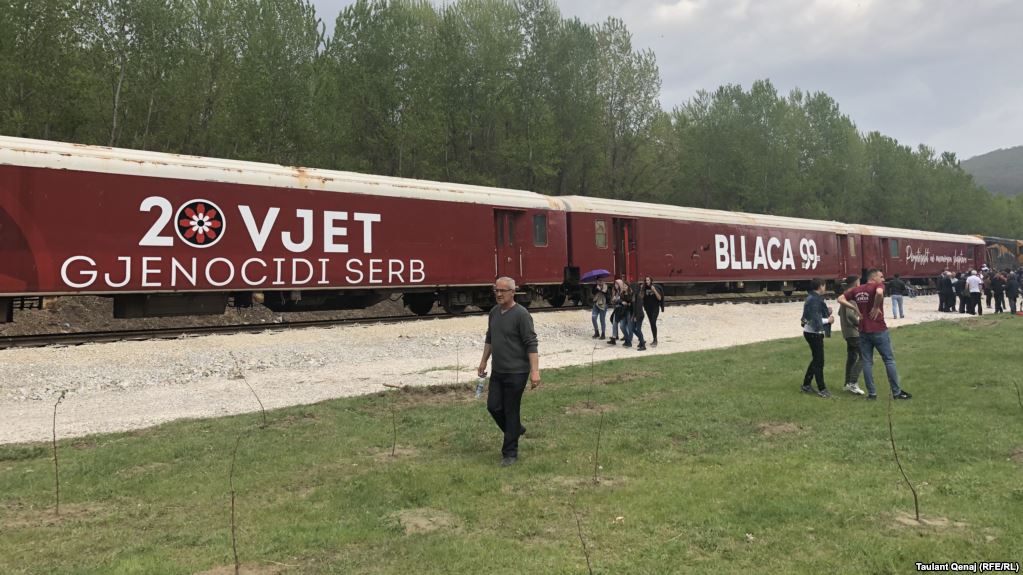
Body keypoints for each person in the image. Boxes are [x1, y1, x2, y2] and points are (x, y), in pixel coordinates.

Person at [477, 276, 540, 467]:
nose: (498, 294)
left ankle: (510, 453)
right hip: (498, 370)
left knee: (511, 410)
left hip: (517, 372)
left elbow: (531, 343)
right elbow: (490, 338)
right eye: (496, 290)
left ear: (513, 292)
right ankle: (515, 429)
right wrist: (483, 361)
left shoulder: (522, 315)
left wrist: (535, 371)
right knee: (493, 406)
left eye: (502, 291)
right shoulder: (494, 312)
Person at [837, 269, 912, 400]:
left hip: (863, 331)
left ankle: (872, 394)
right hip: (878, 329)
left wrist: (854, 308)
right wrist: (876, 306)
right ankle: (896, 392)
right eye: (881, 277)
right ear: (874, 277)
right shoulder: (878, 286)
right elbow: (879, 293)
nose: (883, 279)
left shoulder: (857, 290)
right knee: (889, 360)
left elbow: (840, 299)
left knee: (867, 362)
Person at [800, 278, 834, 398]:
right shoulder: (815, 299)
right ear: (820, 286)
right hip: (814, 333)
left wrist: (827, 311)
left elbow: (811, 315)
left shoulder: (811, 297)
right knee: (819, 362)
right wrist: (828, 320)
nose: (825, 288)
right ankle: (822, 389)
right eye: (824, 286)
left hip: (809, 332)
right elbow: (815, 320)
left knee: (816, 360)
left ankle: (806, 384)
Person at [838, 276, 866, 395]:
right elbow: (850, 315)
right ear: (855, 284)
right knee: (864, 357)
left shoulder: (844, 295)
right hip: (854, 333)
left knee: (852, 357)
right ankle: (853, 382)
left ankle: (847, 384)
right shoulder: (851, 296)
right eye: (859, 282)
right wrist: (860, 323)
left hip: (847, 332)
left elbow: (840, 313)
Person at [641, 276, 664, 347]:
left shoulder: (655, 287)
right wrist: (642, 290)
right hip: (648, 308)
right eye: (646, 280)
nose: (647, 281)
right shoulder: (644, 288)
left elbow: (659, 298)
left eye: (648, 280)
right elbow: (641, 297)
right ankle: (654, 339)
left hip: (655, 308)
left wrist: (654, 290)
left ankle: (655, 340)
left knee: (653, 322)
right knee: (651, 323)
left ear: (651, 281)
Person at [626, 281, 647, 351]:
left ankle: (643, 345)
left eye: (631, 288)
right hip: (635, 315)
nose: (630, 289)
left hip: (639, 316)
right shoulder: (634, 295)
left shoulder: (638, 297)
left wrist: (635, 317)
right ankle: (641, 341)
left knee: (638, 329)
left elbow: (638, 308)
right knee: (633, 329)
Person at [606, 279, 624, 345]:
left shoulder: (623, 292)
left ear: (620, 284)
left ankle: (625, 335)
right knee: (614, 322)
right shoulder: (616, 292)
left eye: (617, 284)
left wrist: (616, 300)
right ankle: (614, 337)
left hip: (622, 310)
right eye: (615, 284)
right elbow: (613, 302)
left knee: (622, 325)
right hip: (616, 309)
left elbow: (623, 301)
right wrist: (613, 300)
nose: (615, 285)